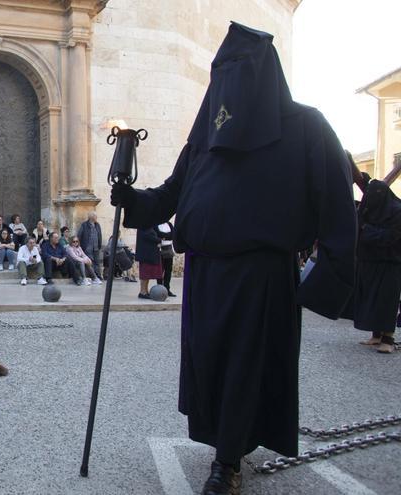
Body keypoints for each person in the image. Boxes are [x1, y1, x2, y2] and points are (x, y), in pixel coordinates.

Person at [110, 23, 356, 493]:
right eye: (220, 71)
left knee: (246, 366)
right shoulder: (204, 137)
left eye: (238, 70)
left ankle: (227, 464)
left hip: (260, 278)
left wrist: (329, 282)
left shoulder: (305, 128)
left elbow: (337, 208)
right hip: (203, 275)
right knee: (212, 366)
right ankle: (228, 442)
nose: (228, 80)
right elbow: (170, 196)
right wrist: (130, 198)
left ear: (264, 74)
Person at [353, 180, 401, 354]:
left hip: (390, 263)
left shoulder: (396, 211)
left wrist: (366, 230)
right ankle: (376, 335)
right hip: (368, 261)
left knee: (386, 301)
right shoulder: (368, 209)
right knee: (371, 299)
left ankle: (388, 339)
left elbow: (391, 236)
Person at [135, 226, 162, 299]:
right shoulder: (143, 226)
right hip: (145, 255)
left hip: (148, 254)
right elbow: (148, 236)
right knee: (145, 275)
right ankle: (142, 292)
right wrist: (160, 240)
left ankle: (145, 291)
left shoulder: (149, 226)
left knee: (147, 275)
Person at [76, 211, 103, 281]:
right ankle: (93, 276)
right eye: (95, 216)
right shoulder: (84, 225)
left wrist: (100, 244)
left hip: (96, 247)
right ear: (91, 217)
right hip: (87, 247)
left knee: (97, 262)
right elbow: (79, 235)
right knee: (90, 262)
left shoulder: (97, 225)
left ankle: (98, 275)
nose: (96, 217)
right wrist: (79, 246)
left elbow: (100, 235)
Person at [156, 222, 177, 297]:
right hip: (160, 249)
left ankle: (167, 289)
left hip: (169, 248)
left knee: (168, 270)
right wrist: (167, 235)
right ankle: (160, 289)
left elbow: (173, 235)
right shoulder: (156, 224)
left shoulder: (169, 224)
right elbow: (158, 234)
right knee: (160, 270)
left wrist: (164, 236)